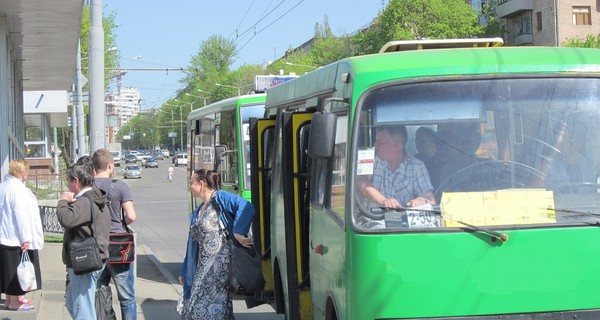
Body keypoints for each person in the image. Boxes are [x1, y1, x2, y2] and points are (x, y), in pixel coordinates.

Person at [178, 169, 254, 319]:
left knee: (208, 312)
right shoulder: (198, 211)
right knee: (193, 311)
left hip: (220, 272)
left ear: (201, 184)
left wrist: (238, 232)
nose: (190, 186)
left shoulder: (220, 198)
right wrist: (184, 269)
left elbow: (247, 207)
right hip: (202, 271)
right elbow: (192, 244)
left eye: (191, 183)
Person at [57, 163, 111, 320]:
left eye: (68, 181)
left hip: (84, 262)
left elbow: (66, 219)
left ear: (76, 181)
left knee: (83, 310)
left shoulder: (84, 202)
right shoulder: (95, 197)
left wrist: (63, 201)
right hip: (93, 258)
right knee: (72, 302)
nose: (67, 185)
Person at [92, 148, 138, 320]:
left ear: (93, 167)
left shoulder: (88, 186)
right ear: (110, 165)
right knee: (127, 298)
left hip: (96, 246)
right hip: (119, 247)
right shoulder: (120, 186)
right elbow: (131, 216)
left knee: (98, 292)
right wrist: (122, 222)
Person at [0, 160, 43, 311]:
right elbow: (21, 214)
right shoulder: (17, 189)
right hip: (15, 237)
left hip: (5, 236)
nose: (27, 174)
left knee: (8, 269)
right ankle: (14, 303)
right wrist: (26, 237)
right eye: (26, 171)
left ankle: (9, 300)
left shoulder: (3, 186)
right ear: (22, 172)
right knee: (16, 271)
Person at [358, 125, 435, 209]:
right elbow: (361, 183)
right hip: (370, 219)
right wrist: (384, 202)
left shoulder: (417, 166)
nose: (375, 145)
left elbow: (430, 198)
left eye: (379, 142)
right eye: (376, 141)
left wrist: (421, 200)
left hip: (402, 220)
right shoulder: (369, 158)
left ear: (396, 146)